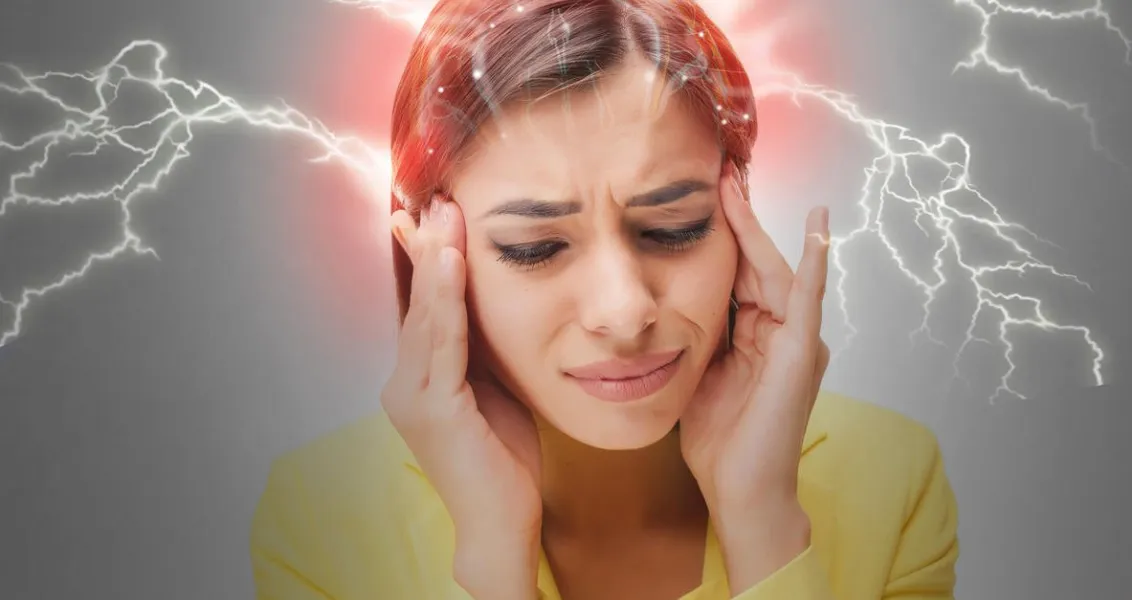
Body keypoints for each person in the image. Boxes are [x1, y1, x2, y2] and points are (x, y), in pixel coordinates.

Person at [250, 0, 959, 598]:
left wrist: (763, 526)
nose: (624, 312)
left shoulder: (891, 479)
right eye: (535, 247)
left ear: (736, 206)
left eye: (672, 229)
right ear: (434, 250)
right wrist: (494, 557)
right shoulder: (320, 519)